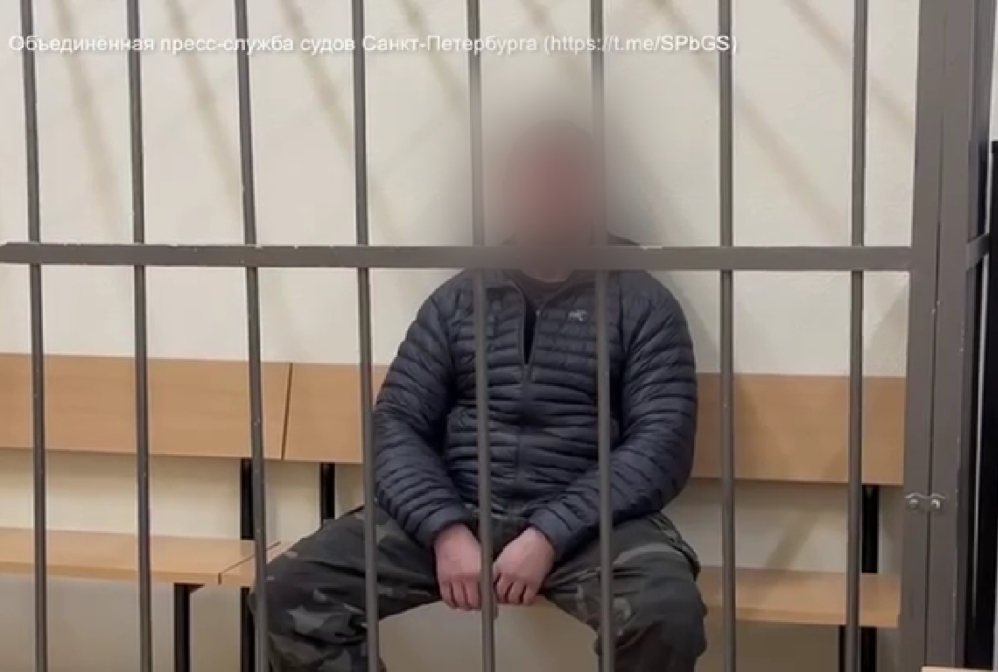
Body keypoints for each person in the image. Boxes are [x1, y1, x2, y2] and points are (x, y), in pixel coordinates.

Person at [259, 119, 705, 671]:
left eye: (565, 182)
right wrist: (444, 530)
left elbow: (662, 444)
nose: (549, 197)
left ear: (593, 192)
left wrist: (549, 534)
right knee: (287, 589)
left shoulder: (642, 302)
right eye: (535, 183)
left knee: (666, 613)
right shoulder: (460, 299)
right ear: (510, 192)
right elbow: (396, 422)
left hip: (590, 526)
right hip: (458, 505)